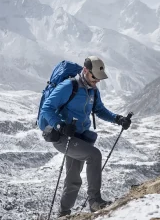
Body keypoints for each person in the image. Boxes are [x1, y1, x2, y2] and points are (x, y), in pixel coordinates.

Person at [39, 56, 132, 217]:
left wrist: (118, 119)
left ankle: (64, 213)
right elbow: (46, 109)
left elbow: (100, 110)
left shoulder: (93, 90)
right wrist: (60, 125)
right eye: (94, 77)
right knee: (94, 155)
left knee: (73, 177)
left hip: (80, 137)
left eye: (99, 78)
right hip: (63, 137)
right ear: (85, 71)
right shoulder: (69, 86)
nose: (97, 81)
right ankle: (95, 201)